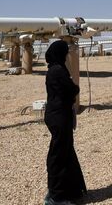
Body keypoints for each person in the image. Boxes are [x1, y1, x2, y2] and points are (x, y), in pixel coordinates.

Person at [44, 40, 86, 205]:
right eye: (65, 52)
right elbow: (72, 89)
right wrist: (74, 88)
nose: (68, 55)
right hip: (59, 116)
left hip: (59, 115)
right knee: (59, 155)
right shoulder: (58, 71)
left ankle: (69, 191)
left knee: (65, 152)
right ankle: (56, 196)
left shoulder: (55, 69)